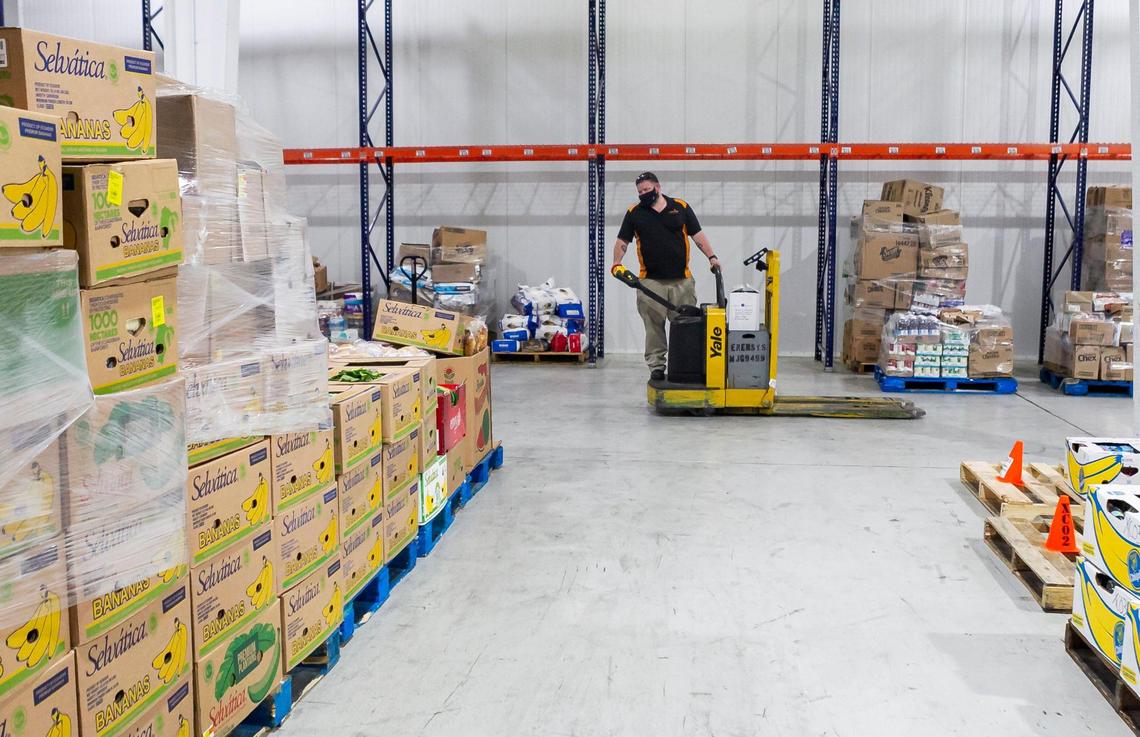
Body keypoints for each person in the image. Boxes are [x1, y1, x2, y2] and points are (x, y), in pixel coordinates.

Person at [611, 172, 719, 381]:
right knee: (653, 327)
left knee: (686, 326)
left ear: (657, 187)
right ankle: (657, 367)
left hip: (682, 281)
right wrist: (617, 262)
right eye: (640, 191)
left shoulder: (680, 207)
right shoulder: (635, 213)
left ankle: (686, 366)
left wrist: (712, 257)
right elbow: (622, 241)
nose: (643, 194)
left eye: (646, 190)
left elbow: (698, 235)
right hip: (650, 283)